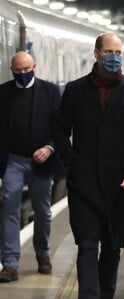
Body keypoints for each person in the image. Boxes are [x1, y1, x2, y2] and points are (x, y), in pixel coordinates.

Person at [54, 32, 124, 299]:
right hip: (83, 183)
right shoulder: (75, 90)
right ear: (96, 53)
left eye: (118, 53)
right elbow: (60, 131)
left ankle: (105, 295)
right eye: (109, 52)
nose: (114, 58)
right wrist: (71, 162)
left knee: (111, 249)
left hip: (119, 185)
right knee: (86, 246)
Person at [0, 51, 63, 282]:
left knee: (43, 212)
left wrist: (49, 148)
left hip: (42, 163)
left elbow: (60, 128)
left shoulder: (50, 91)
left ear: (34, 66)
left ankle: (43, 254)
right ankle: (9, 264)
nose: (23, 74)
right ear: (11, 69)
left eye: (27, 70)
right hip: (13, 161)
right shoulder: (3, 93)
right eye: (18, 70)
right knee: (9, 209)